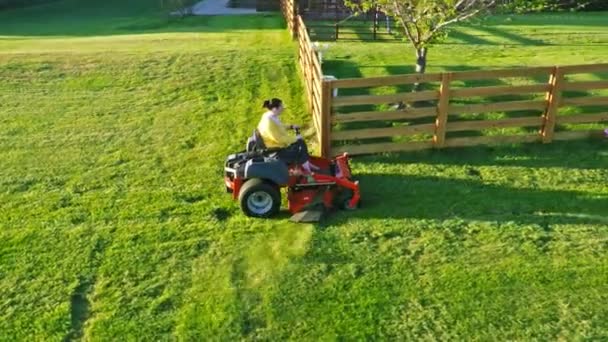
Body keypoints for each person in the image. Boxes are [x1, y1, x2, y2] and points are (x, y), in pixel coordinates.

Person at [256, 98, 317, 174]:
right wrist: (295, 138)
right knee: (300, 147)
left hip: (277, 145)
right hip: (275, 151)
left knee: (301, 143)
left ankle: (307, 164)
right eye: (281, 106)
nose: (283, 108)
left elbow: (280, 126)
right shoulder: (269, 123)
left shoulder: (270, 115)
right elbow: (280, 139)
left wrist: (291, 126)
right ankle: (308, 170)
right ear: (275, 109)